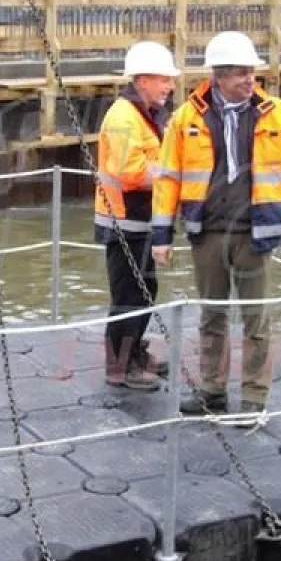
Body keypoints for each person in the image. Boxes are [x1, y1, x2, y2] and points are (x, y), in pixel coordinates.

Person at [150, 31, 281, 415]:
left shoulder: (277, 113)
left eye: (252, 73)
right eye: (241, 74)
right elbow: (167, 179)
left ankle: (253, 399)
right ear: (219, 77)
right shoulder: (184, 120)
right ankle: (212, 391)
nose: (251, 81)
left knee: (256, 320)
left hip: (254, 234)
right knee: (211, 316)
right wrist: (160, 237)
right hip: (208, 234)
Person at [94, 40, 180, 390]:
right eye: (164, 80)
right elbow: (132, 173)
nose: (170, 86)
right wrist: (174, 174)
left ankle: (133, 353)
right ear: (142, 79)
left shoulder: (145, 113)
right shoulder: (123, 116)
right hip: (123, 223)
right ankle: (119, 366)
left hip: (140, 221)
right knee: (129, 295)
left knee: (144, 290)